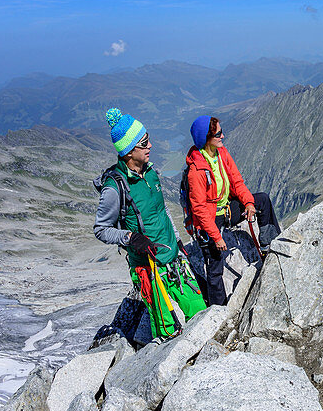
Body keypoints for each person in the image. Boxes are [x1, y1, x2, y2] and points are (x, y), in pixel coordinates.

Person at [94, 108, 206, 339]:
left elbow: (161, 211)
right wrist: (130, 238)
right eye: (144, 143)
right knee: (167, 330)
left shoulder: (151, 173)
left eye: (148, 140)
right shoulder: (115, 187)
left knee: (200, 313)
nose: (150, 146)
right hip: (149, 270)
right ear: (128, 151)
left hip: (174, 261)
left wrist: (176, 240)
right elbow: (101, 229)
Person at [185, 115, 281, 305]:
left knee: (262, 199)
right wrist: (217, 237)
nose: (223, 136)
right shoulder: (195, 171)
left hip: (226, 210)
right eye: (218, 133)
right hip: (210, 219)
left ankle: (269, 245)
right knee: (215, 265)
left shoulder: (222, 154)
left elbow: (236, 182)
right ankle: (218, 310)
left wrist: (248, 203)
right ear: (206, 138)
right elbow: (200, 210)